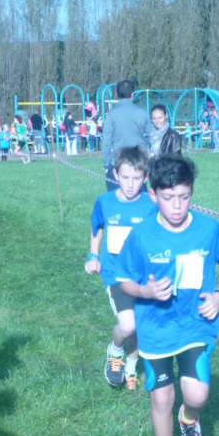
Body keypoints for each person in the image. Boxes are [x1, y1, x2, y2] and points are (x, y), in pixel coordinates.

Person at [116, 156, 219, 436]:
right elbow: (124, 281)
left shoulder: (208, 230)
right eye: (168, 197)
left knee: (197, 395)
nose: (176, 206)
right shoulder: (142, 235)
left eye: (184, 197)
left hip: (195, 325)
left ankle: (188, 419)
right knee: (161, 400)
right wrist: (146, 291)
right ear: (153, 194)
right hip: (155, 329)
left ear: (192, 193)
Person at [85, 146, 157, 391]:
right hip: (115, 273)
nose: (130, 184)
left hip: (142, 277)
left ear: (145, 178)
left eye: (136, 178)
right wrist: (93, 255)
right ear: (115, 175)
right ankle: (115, 352)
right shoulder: (104, 202)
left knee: (138, 324)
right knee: (127, 325)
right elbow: (97, 227)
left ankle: (131, 369)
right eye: (125, 177)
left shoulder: (150, 205)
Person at [102, 80, 150, 191]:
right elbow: (152, 135)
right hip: (138, 163)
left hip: (117, 164)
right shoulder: (143, 112)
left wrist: (106, 164)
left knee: (116, 200)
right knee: (139, 200)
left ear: (117, 94)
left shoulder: (111, 114)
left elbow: (106, 142)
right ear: (132, 94)